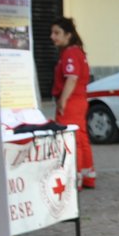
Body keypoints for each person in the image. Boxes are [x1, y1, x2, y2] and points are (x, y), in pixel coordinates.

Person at [48, 16, 95, 189]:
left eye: (57, 33)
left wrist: (62, 100)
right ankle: (87, 175)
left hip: (71, 101)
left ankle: (74, 178)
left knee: (69, 138)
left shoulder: (70, 53)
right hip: (80, 100)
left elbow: (72, 77)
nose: (52, 37)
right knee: (81, 138)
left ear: (68, 35)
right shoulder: (78, 52)